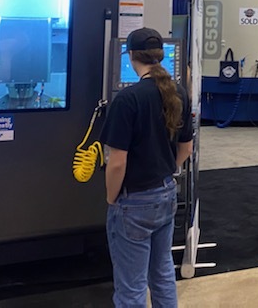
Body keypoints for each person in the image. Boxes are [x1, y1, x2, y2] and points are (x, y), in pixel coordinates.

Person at [100, 27, 194, 308]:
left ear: (130, 56)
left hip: (133, 201)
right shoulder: (178, 93)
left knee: (131, 287)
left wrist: (112, 198)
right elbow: (186, 149)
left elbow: (117, 162)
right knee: (162, 273)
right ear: (161, 55)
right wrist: (164, 170)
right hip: (166, 193)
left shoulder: (127, 100)